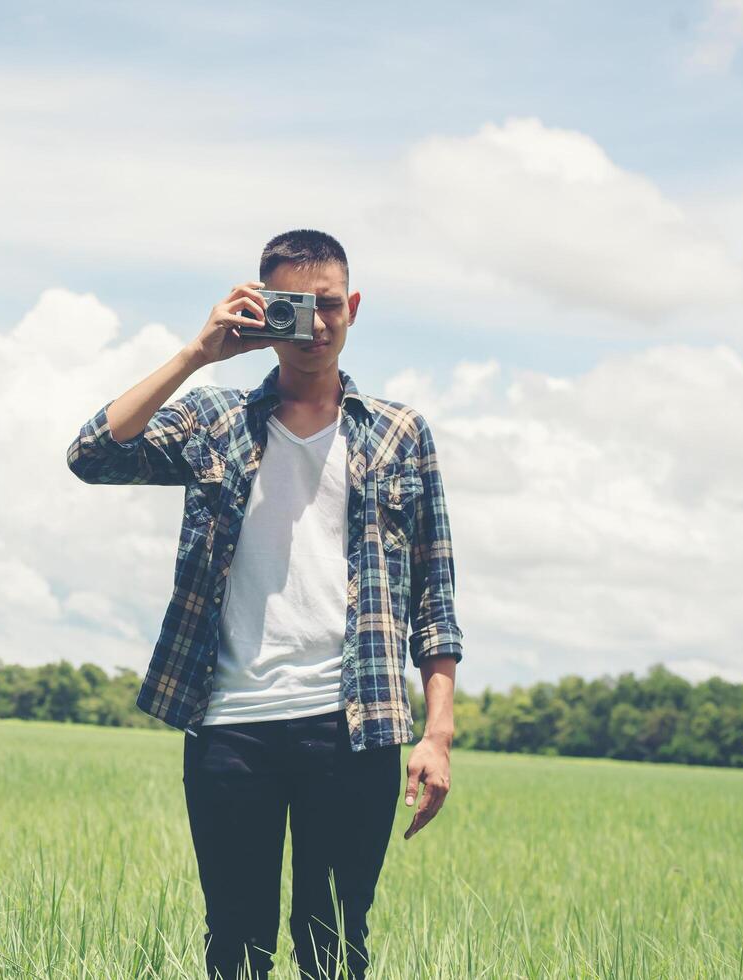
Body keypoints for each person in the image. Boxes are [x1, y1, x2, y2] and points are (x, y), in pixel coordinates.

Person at [65, 229, 463, 979]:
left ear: (352, 307)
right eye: (290, 308)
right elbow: (93, 455)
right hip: (230, 726)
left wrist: (436, 734)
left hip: (355, 727)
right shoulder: (213, 418)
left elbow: (435, 598)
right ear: (258, 309)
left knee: (335, 945)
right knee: (235, 944)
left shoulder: (399, 434)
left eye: (325, 307)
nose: (311, 327)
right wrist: (197, 353)